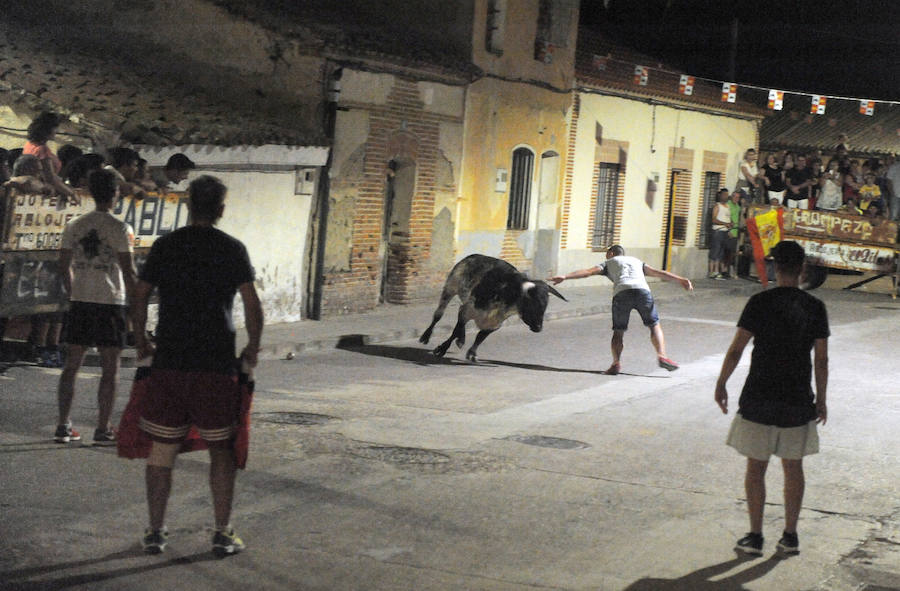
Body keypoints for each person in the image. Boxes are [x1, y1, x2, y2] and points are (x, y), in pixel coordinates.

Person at [132, 175, 263, 557]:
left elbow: (140, 295)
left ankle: (155, 532)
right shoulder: (232, 249)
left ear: (188, 205)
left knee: (162, 450)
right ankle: (222, 532)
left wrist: (140, 338)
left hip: (170, 360)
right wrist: (253, 347)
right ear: (221, 209)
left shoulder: (165, 246)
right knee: (221, 450)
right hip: (215, 362)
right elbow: (251, 303)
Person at [715, 240, 828, 557]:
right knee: (794, 468)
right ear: (802, 268)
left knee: (756, 468)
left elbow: (737, 350)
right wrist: (821, 399)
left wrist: (721, 383)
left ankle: (755, 536)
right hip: (797, 399)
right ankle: (790, 536)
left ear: (775, 267)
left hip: (758, 397)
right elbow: (821, 360)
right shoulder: (815, 307)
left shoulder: (759, 302)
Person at [55, 169, 136, 444]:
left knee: (71, 366)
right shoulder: (120, 228)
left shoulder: (75, 225)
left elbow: (63, 265)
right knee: (110, 369)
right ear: (115, 194)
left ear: (90, 192)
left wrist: (73, 291)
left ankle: (63, 424)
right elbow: (128, 270)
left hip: (81, 300)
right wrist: (136, 303)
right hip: (110, 301)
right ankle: (103, 428)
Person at [550, 244, 693, 375]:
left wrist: (565, 276)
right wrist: (680, 279)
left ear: (611, 253)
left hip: (622, 293)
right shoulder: (637, 261)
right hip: (643, 292)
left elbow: (587, 272)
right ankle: (662, 356)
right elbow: (657, 273)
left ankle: (616, 363)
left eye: (607, 254)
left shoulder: (608, 263)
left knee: (618, 331)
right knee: (654, 325)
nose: (606, 257)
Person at [22, 112, 77, 203]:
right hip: (45, 195)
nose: (56, 131)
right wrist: (71, 193)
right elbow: (50, 178)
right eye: (54, 128)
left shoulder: (29, 145)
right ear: (47, 130)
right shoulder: (42, 149)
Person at [708, 188, 732, 279]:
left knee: (721, 253)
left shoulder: (728, 206)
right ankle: (711, 272)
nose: (726, 196)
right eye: (724, 195)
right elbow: (714, 219)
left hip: (725, 232)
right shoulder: (717, 206)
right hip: (718, 231)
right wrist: (725, 223)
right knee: (715, 251)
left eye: (727, 195)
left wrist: (730, 224)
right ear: (720, 195)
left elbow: (727, 218)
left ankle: (717, 271)